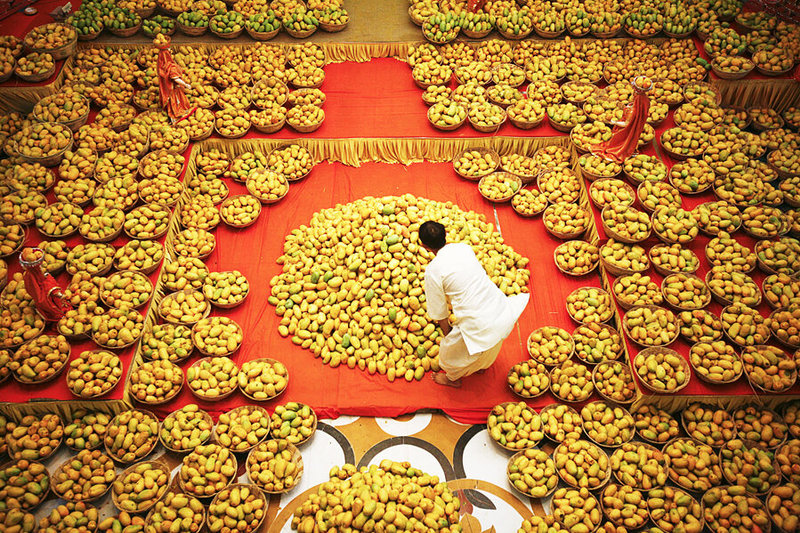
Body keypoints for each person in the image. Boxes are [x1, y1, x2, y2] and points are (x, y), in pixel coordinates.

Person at [419, 221, 530, 387]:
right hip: (498, 306)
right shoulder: (463, 248)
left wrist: (448, 333)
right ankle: (481, 366)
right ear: (445, 235)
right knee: (491, 340)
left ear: (424, 246)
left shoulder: (433, 270)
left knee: (450, 355)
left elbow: (439, 311)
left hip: (478, 320)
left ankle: (452, 379)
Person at [154, 33, 196, 123]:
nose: (171, 52)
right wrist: (185, 84)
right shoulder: (170, 67)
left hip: (167, 88)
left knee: (172, 102)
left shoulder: (161, 65)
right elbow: (175, 79)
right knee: (176, 102)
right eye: (169, 51)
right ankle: (176, 116)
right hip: (173, 89)